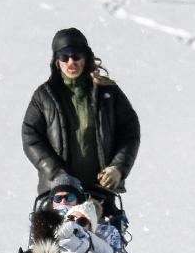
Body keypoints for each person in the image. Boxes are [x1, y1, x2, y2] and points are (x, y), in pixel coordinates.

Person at [22, 26, 140, 210]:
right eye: (64, 56)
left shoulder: (108, 92)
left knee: (103, 238)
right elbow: (31, 137)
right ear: (56, 61)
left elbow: (129, 132)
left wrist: (118, 168)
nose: (71, 62)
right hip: (59, 195)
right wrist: (56, 173)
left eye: (76, 56)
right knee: (55, 239)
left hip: (100, 194)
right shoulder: (44, 96)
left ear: (86, 58)